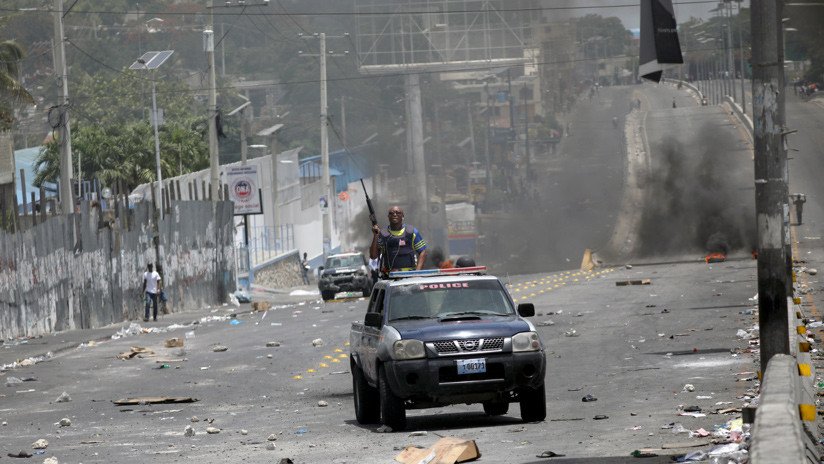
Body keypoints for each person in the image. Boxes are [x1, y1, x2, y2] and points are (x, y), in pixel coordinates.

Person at [370, 206, 428, 275]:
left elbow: (423, 252)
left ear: (403, 216)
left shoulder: (412, 232)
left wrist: (417, 273)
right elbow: (373, 256)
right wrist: (376, 235)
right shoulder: (382, 234)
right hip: (390, 276)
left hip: (410, 275)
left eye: (398, 213)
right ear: (388, 217)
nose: (394, 214)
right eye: (391, 213)